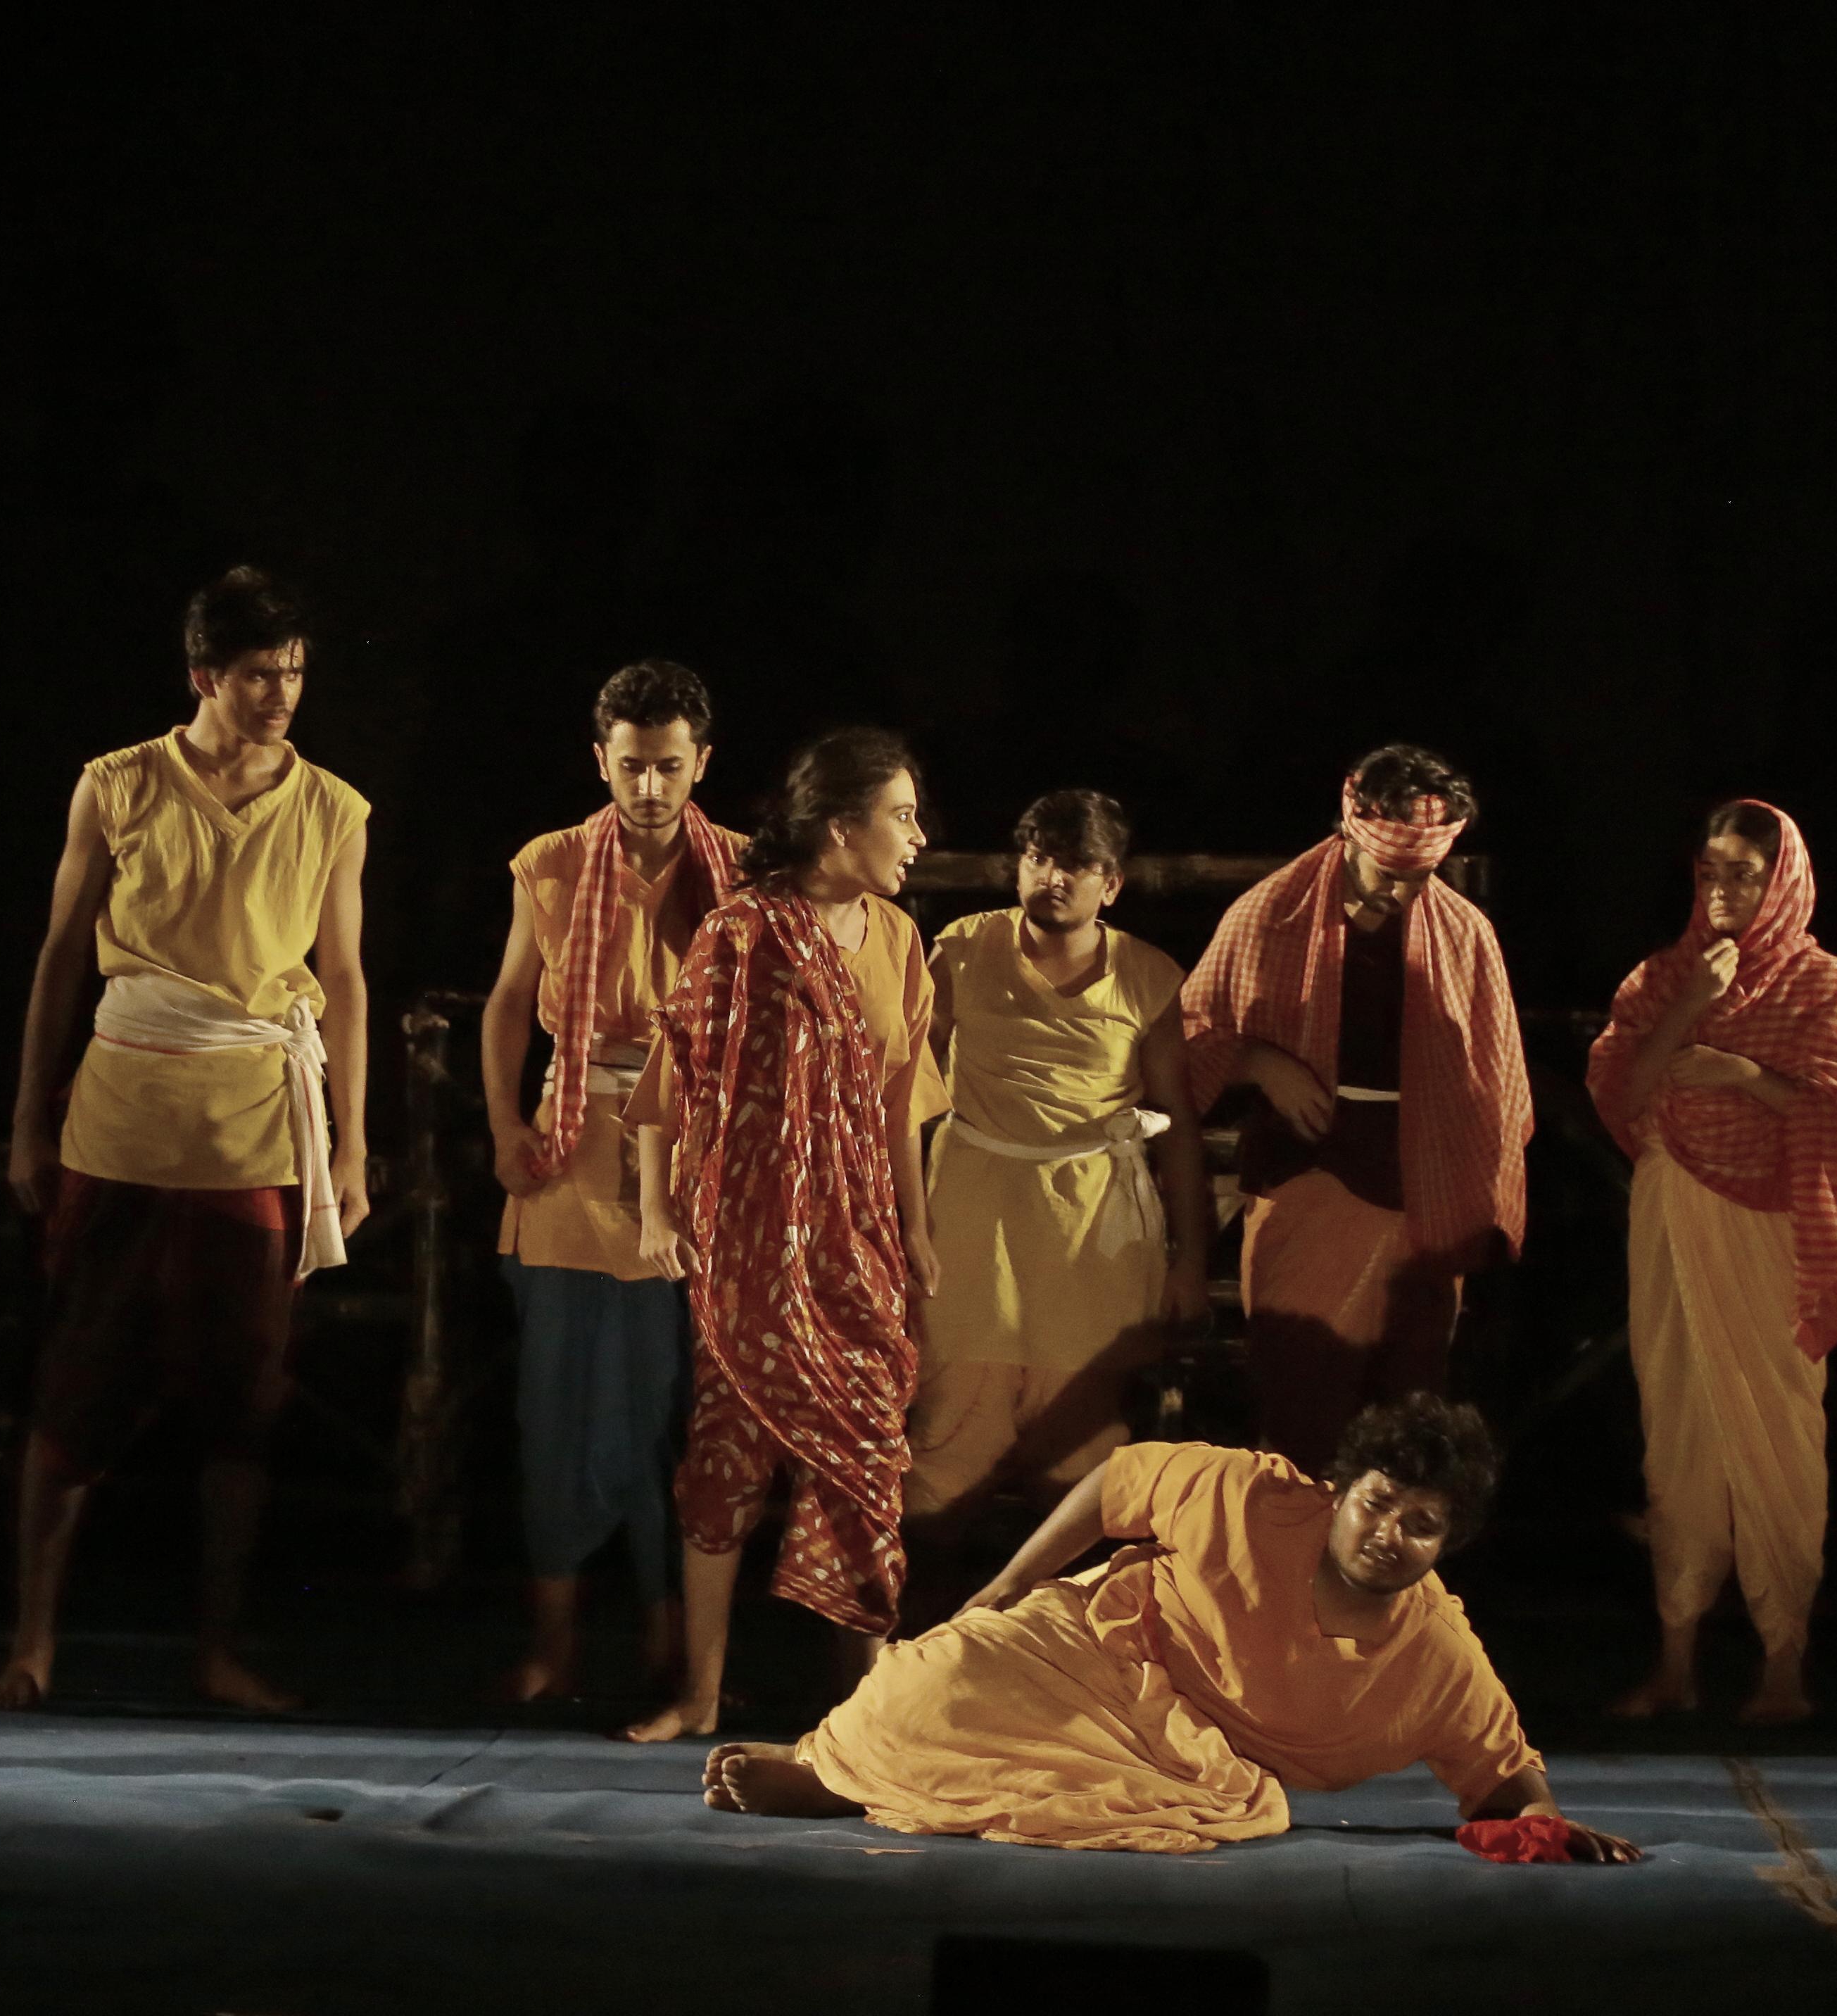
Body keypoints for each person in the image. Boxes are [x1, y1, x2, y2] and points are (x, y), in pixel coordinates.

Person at [0, 566, 371, 1712]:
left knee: (242, 1401)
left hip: (255, 1128)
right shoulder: (118, 785)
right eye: (257, 674)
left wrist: (349, 1147)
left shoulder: (332, 809)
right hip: (122, 1118)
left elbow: (344, 978)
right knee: (78, 1382)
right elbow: (62, 952)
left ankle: (217, 1645)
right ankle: (31, 1641)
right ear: (204, 676)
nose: (280, 694)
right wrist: (29, 1116)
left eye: (293, 672)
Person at [698, 1396, 1641, 1863]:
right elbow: (1118, 1481)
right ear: (1339, 1489)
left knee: (1117, 1808)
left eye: (1421, 1523)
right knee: (932, 1677)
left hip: (1196, 1761)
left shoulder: (1438, 1653)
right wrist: (1010, 1582)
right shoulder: (1256, 1494)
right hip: (1103, 1643)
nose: (1389, 1533)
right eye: (1377, 1503)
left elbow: (1500, 1774)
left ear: (1448, 1541)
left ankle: (855, 1783)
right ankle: (832, 1771)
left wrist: (1547, 1830)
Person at [618, 729, 941, 1744]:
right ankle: (701, 1694)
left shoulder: (897, 939)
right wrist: (659, 1210)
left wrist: (914, 1229)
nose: (917, 839)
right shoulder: (744, 933)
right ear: (840, 828)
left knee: (866, 1455)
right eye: (900, 818)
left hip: (856, 1243)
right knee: (726, 1453)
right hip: (751, 1247)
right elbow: (674, 1081)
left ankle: (867, 1707)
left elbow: (900, 1102)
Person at [1586, 801, 1837, 1727]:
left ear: (1781, 881)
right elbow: (1626, 1093)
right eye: (1710, 873)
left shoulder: (1828, 989)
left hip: (1769, 1224)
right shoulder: (1661, 976)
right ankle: (1675, 1659)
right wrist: (1688, 1007)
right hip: (1672, 1205)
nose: (1722, 891)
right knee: (1676, 1427)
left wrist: (1748, 1077)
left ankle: (1783, 1663)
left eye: (1743, 875)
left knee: (1776, 1431)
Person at [480, 660, 734, 1701]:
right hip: (571, 1145)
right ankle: (555, 1644)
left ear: (701, 762)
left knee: (671, 1408)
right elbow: (510, 1000)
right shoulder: (549, 863)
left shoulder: (740, 873)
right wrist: (505, 1123)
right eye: (632, 767)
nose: (650, 787)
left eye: (669, 766)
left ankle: (674, 1647)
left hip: (693, 1154)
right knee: (556, 1407)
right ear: (601, 761)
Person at [1179, 745, 1533, 1472]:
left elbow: (1501, 1079)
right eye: (1388, 874)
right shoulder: (1273, 913)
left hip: (1428, 1185)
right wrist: (1261, 1062)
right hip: (1313, 1165)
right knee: (1305, 1385)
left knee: (1410, 1400)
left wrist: (1481, 1188)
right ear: (1352, 831)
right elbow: (1190, 1036)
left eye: (1420, 877)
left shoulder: (1461, 929)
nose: (1402, 894)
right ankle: (1296, 1535)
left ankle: (1394, 1544)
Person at [905, 790, 1212, 1594]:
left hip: (1091, 1222)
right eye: (1039, 858)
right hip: (974, 1208)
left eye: (1077, 864)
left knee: (1078, 1433)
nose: (1053, 877)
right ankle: (921, 1630)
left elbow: (1178, 1125)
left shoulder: (1147, 977)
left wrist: (1189, 1259)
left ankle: (1071, 1628)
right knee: (954, 1420)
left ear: (1111, 883)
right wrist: (893, 1223)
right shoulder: (964, 949)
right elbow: (900, 1091)